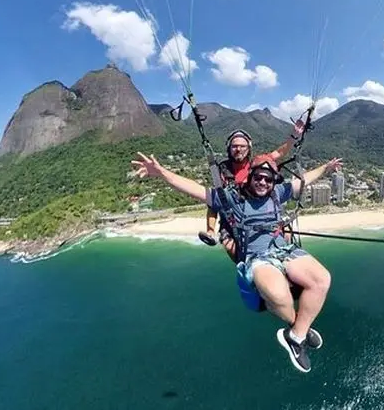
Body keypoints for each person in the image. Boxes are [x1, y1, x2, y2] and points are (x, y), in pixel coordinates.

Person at [131, 151, 342, 373]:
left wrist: (326, 167)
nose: (263, 182)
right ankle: (298, 329)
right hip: (257, 258)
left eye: (268, 179)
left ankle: (296, 335)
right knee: (278, 295)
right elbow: (195, 189)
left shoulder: (277, 194)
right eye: (258, 177)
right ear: (250, 177)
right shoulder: (231, 198)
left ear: (273, 183)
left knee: (322, 279)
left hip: (284, 249)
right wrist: (162, 172)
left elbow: (304, 179)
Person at [202, 121, 305, 256]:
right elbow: (213, 204)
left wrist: (294, 135)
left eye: (242, 146)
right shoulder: (222, 171)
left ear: (248, 148)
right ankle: (247, 267)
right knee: (231, 247)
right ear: (229, 148)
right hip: (233, 219)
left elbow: (280, 152)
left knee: (285, 236)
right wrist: (210, 230)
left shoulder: (258, 163)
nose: (238, 149)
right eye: (234, 146)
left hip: (261, 214)